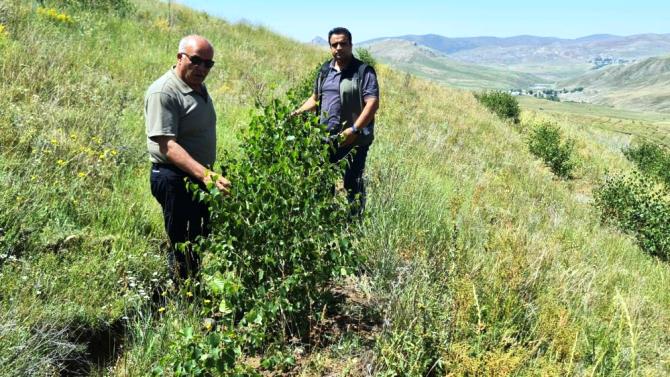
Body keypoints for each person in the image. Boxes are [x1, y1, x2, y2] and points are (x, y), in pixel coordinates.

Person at [145, 35, 230, 281]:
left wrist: (205, 176)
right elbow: (167, 145)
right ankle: (181, 299)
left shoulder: (198, 86)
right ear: (180, 57)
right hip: (174, 178)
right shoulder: (164, 91)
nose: (202, 68)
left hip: (197, 178)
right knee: (182, 242)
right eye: (196, 60)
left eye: (208, 64)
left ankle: (192, 288)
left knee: (198, 238)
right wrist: (207, 175)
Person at [292, 27, 380, 215]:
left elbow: (372, 104)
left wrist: (354, 130)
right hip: (326, 139)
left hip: (354, 140)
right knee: (323, 180)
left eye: (343, 44)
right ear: (330, 47)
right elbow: (315, 98)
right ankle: (326, 219)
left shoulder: (363, 71)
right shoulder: (325, 70)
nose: (339, 48)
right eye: (334, 44)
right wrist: (298, 111)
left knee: (352, 182)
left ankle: (355, 222)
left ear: (351, 45)